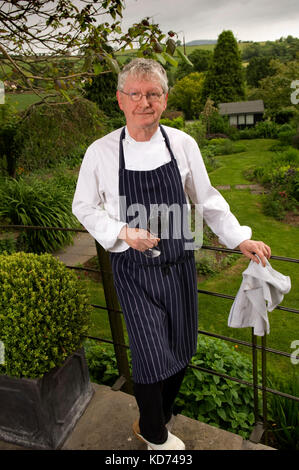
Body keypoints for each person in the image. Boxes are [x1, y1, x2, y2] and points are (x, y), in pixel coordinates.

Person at [72, 58, 271, 450]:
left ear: (164, 99)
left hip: (180, 265)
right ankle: (157, 436)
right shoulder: (101, 152)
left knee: (181, 348)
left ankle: (155, 416)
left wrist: (239, 239)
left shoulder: (182, 144)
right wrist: (122, 232)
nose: (144, 101)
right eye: (136, 94)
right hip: (134, 269)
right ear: (120, 100)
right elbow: (83, 206)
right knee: (148, 352)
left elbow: (208, 200)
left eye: (153, 93)